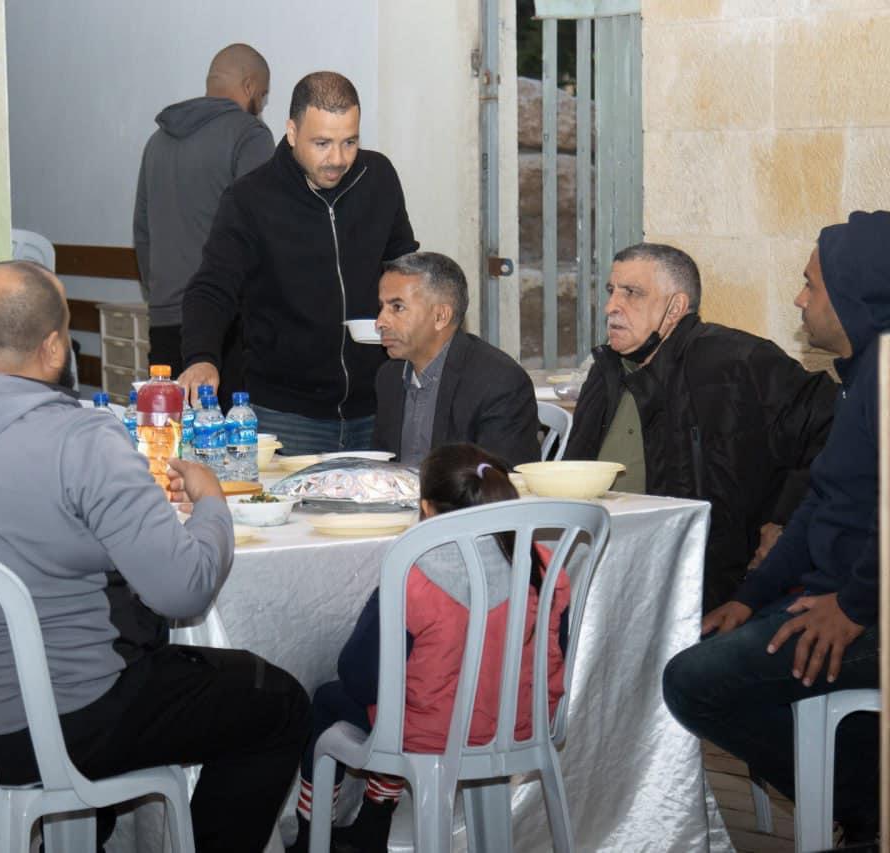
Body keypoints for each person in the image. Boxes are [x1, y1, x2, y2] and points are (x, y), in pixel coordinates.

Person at [0, 260, 310, 852]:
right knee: (275, 700)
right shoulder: (79, 440)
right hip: (59, 723)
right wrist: (210, 504)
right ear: (53, 348)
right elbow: (184, 588)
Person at [663, 211, 887, 845]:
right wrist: (750, 596)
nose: (799, 299)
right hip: (832, 595)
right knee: (704, 649)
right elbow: (821, 502)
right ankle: (861, 798)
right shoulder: (860, 376)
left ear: (854, 296)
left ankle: (866, 807)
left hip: (869, 612)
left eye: (812, 285)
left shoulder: (887, 378)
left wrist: (853, 607)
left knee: (693, 683)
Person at [287, 443, 570, 853]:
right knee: (402, 705)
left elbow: (360, 676)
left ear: (426, 508)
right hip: (523, 724)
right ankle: (371, 823)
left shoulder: (416, 572)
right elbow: (556, 654)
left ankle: (311, 834)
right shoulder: (544, 565)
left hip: (433, 733)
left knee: (334, 700)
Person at [563, 242, 836, 611]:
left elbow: (836, 427)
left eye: (632, 293)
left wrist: (783, 521)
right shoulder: (606, 369)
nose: (612, 306)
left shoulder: (736, 362)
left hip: (698, 578)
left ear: (675, 308)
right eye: (612, 291)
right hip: (598, 563)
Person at [178, 70, 419, 454]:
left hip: (378, 402)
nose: (337, 159)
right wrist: (201, 358)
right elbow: (212, 287)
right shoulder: (250, 199)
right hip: (286, 414)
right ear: (292, 132)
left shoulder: (378, 178)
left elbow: (404, 266)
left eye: (350, 142)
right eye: (322, 143)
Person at [133, 43, 273, 408]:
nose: (261, 104)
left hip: (165, 319)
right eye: (262, 95)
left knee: (169, 432)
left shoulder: (156, 142)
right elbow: (263, 227)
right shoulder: (249, 134)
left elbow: (142, 233)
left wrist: (161, 294)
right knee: (229, 438)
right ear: (249, 86)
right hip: (225, 327)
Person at [372, 252, 540, 468]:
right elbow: (382, 468)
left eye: (397, 307)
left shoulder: (499, 383)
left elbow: (498, 481)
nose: (380, 322)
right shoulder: (389, 376)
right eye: (381, 307)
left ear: (441, 316)